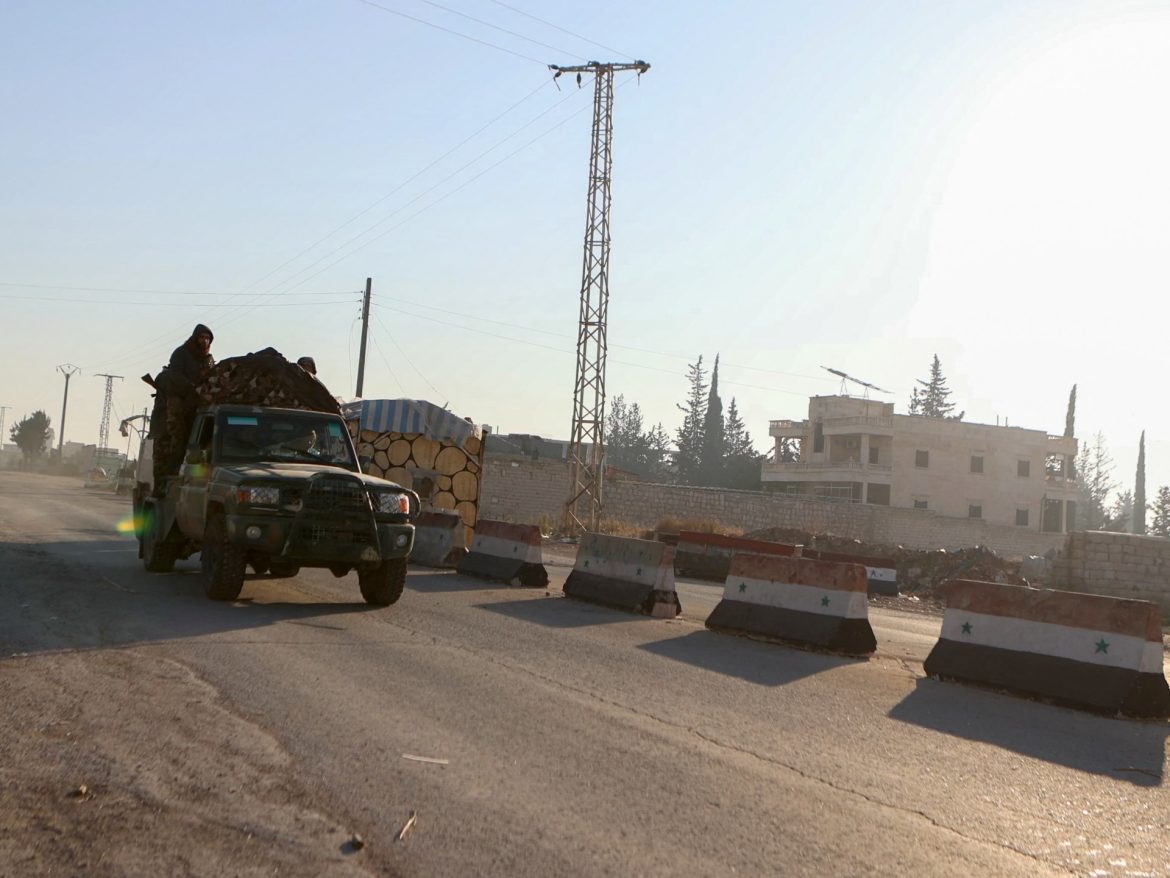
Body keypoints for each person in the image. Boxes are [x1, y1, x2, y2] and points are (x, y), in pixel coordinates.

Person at [151, 324, 214, 492]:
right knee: (174, 440)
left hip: (198, 406)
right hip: (178, 402)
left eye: (207, 338)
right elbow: (175, 376)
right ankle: (163, 485)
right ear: (195, 337)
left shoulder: (208, 359)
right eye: (202, 337)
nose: (204, 341)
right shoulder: (181, 353)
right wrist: (192, 388)